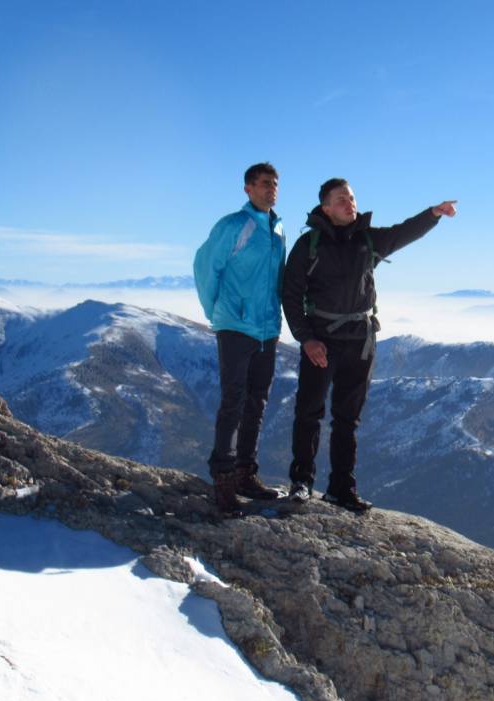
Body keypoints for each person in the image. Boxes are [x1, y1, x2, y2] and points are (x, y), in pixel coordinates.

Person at [282, 177, 457, 511]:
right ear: (325, 207)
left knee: (348, 418)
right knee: (309, 412)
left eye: (351, 197)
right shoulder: (309, 245)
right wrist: (306, 339)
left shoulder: (368, 240)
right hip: (322, 340)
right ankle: (301, 482)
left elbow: (403, 233)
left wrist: (432, 215)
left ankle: (341, 488)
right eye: (341, 199)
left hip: (361, 340)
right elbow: (290, 296)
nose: (349, 203)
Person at [193, 162, 286, 514]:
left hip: (267, 329)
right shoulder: (234, 225)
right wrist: (217, 313)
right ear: (248, 188)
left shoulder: (278, 229)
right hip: (236, 326)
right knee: (233, 400)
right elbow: (205, 267)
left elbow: (277, 280)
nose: (271, 189)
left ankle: (247, 473)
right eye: (264, 184)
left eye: (274, 184)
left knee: (257, 402)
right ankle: (224, 479)